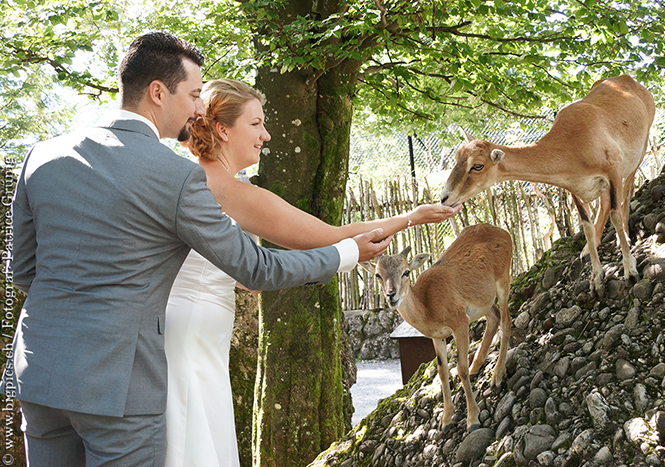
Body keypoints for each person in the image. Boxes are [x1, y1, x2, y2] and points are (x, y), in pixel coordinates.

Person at [4, 32, 393, 466]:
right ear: (157, 92)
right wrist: (347, 253)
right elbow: (256, 269)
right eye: (192, 94)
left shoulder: (41, 156)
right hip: (119, 379)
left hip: (38, 370)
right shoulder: (175, 175)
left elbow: (23, 270)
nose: (197, 108)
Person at [164, 78, 460, 467]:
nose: (265, 135)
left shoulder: (196, 181)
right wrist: (409, 218)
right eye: (256, 124)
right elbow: (327, 237)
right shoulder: (226, 190)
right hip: (194, 340)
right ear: (222, 129)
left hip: (189, 332)